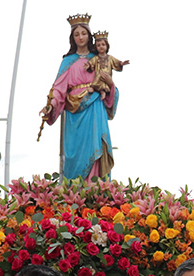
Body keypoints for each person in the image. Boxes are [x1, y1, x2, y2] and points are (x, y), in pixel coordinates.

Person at [40, 14, 117, 181]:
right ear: (72, 38)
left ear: (89, 36)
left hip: (95, 108)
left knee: (97, 147)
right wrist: (51, 106)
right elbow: (58, 89)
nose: (80, 37)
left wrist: (111, 84)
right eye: (76, 34)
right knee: (74, 157)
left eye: (83, 33)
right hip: (75, 114)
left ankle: (96, 188)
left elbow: (108, 86)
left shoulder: (98, 59)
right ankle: (74, 190)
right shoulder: (68, 61)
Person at [86, 31, 128, 97]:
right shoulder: (96, 58)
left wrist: (121, 63)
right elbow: (91, 63)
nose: (101, 47)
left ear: (107, 45)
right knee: (97, 80)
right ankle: (97, 90)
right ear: (96, 47)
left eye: (103, 44)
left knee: (105, 84)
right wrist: (88, 65)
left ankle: (104, 92)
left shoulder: (110, 58)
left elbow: (116, 62)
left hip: (107, 76)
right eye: (98, 45)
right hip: (99, 75)